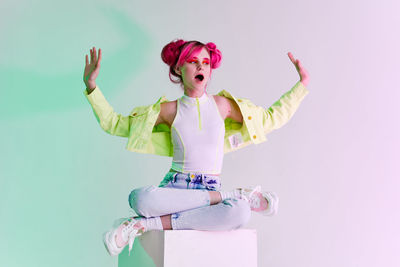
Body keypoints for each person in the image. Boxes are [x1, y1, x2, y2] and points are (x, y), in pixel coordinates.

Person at [82, 39, 310, 257]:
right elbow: (115, 125)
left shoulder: (223, 106)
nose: (201, 66)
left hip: (209, 188)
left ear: (210, 70)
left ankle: (143, 224)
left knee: (240, 212)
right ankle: (234, 195)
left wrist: (301, 86)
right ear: (179, 68)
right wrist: (91, 87)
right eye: (193, 61)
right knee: (139, 199)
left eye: (206, 62)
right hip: (176, 188)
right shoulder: (168, 110)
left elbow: (270, 119)